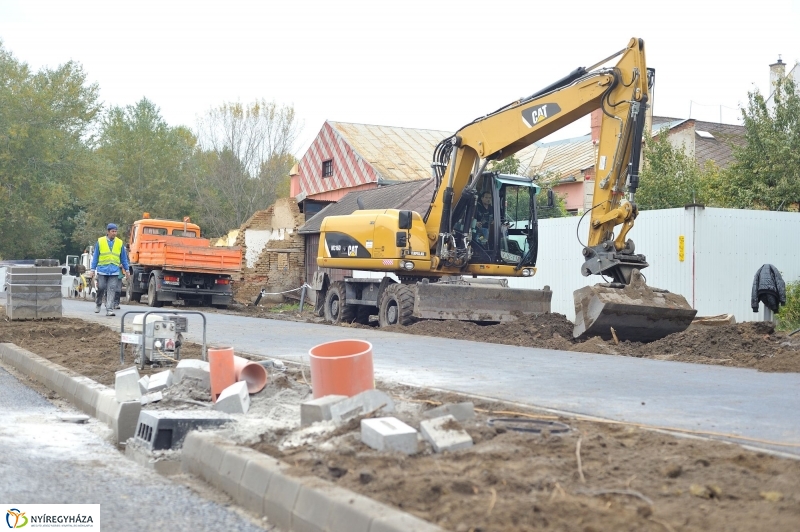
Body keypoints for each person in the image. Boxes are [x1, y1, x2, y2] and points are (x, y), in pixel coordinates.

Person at [91, 223, 131, 317]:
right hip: (102, 270)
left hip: (114, 271)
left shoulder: (119, 243)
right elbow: (96, 257)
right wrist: (92, 269)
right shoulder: (100, 242)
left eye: (116, 231)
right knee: (101, 287)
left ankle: (109, 309)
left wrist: (127, 270)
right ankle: (98, 303)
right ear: (108, 232)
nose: (114, 233)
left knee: (112, 289)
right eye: (113, 231)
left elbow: (124, 258)